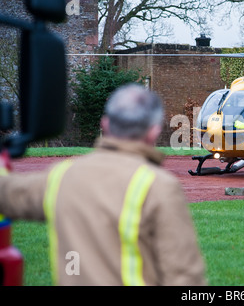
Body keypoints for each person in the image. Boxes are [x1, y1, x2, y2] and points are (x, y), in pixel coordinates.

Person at [0, 83, 206, 286]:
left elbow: (7, 192)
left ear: (105, 124)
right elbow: (184, 277)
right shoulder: (159, 186)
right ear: (153, 131)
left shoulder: (62, 176)